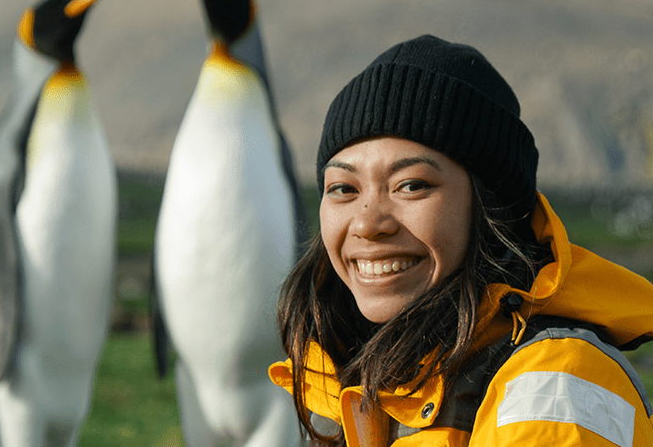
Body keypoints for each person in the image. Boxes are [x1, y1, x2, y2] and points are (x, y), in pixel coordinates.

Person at [270, 34, 653, 446]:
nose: (368, 223)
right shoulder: (340, 385)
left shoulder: (556, 383)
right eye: (344, 188)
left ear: (493, 209)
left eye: (411, 185)